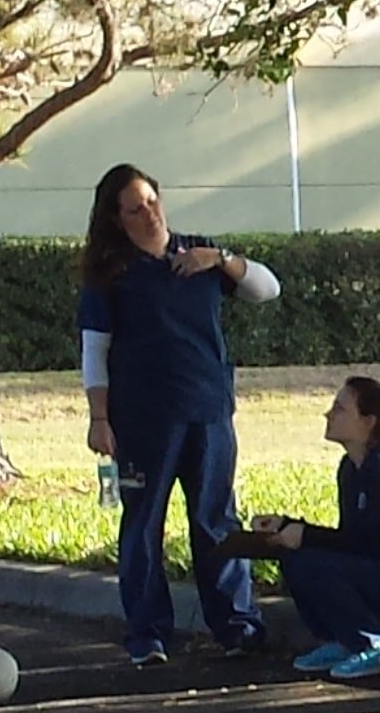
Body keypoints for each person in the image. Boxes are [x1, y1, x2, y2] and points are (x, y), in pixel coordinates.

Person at [80, 164, 282, 665]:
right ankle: (148, 632)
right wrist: (99, 418)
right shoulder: (113, 274)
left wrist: (221, 259)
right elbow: (94, 352)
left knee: (216, 519)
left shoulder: (200, 256)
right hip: (143, 419)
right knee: (144, 523)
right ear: (116, 219)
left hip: (210, 411)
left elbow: (266, 289)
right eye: (134, 209)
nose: (148, 214)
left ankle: (237, 623)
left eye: (152, 201)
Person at [251, 374, 380, 680]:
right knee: (296, 557)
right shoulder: (351, 468)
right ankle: (344, 639)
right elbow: (351, 539)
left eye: (339, 408)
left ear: (368, 421)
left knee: (311, 559)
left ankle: (377, 645)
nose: (328, 414)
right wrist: (288, 527)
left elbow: (377, 546)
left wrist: (306, 536)